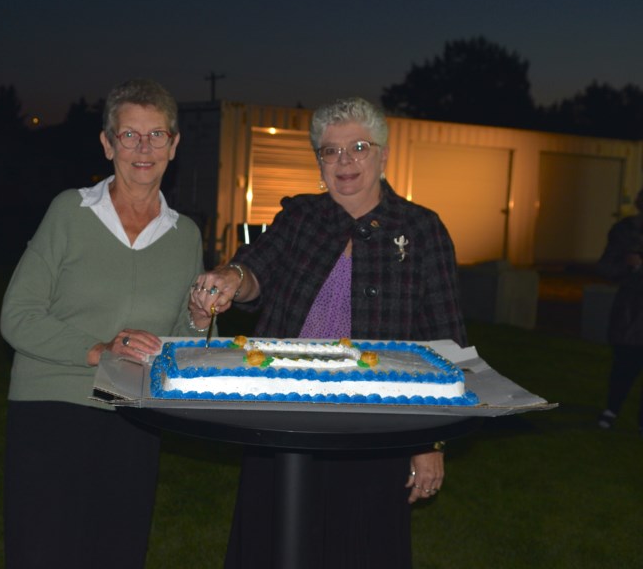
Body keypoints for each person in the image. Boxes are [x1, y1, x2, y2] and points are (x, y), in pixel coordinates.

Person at [189, 97, 466, 568]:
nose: (345, 162)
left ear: (384, 154)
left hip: (375, 427)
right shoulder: (299, 217)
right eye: (330, 151)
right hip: (282, 418)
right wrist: (233, 277)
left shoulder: (422, 230)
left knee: (358, 548)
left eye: (358, 147)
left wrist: (428, 442)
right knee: (270, 542)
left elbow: (445, 345)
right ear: (318, 160)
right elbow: (256, 269)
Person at [0, 78, 209, 568]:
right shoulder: (69, 212)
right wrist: (98, 350)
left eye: (157, 135)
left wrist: (199, 320)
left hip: (134, 411)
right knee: (43, 551)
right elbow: (17, 316)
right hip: (51, 405)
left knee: (117, 550)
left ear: (174, 145)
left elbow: (184, 343)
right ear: (107, 142)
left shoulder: (185, 236)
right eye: (129, 135)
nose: (143, 148)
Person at [596, 187, 643, 436]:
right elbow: (606, 267)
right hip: (631, 316)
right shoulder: (626, 231)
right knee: (624, 366)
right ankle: (612, 409)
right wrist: (630, 266)